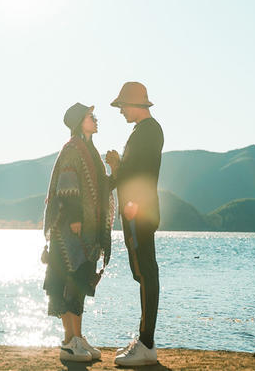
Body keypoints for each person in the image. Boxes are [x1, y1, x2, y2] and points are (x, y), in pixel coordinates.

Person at [43, 102, 116, 362]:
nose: (95, 120)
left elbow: (101, 186)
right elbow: (67, 181)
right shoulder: (73, 148)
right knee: (66, 280)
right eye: (90, 116)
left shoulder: (90, 150)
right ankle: (68, 341)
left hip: (87, 229)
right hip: (69, 229)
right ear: (78, 121)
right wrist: (74, 217)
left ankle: (78, 337)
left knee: (80, 280)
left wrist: (115, 171)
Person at [106, 82, 164, 367]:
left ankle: (146, 344)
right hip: (135, 212)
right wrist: (117, 168)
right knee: (142, 273)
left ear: (134, 104)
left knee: (146, 272)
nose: (120, 112)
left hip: (138, 212)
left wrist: (135, 203)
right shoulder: (141, 132)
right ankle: (144, 340)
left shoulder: (150, 131)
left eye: (122, 107)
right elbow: (132, 171)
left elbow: (146, 171)